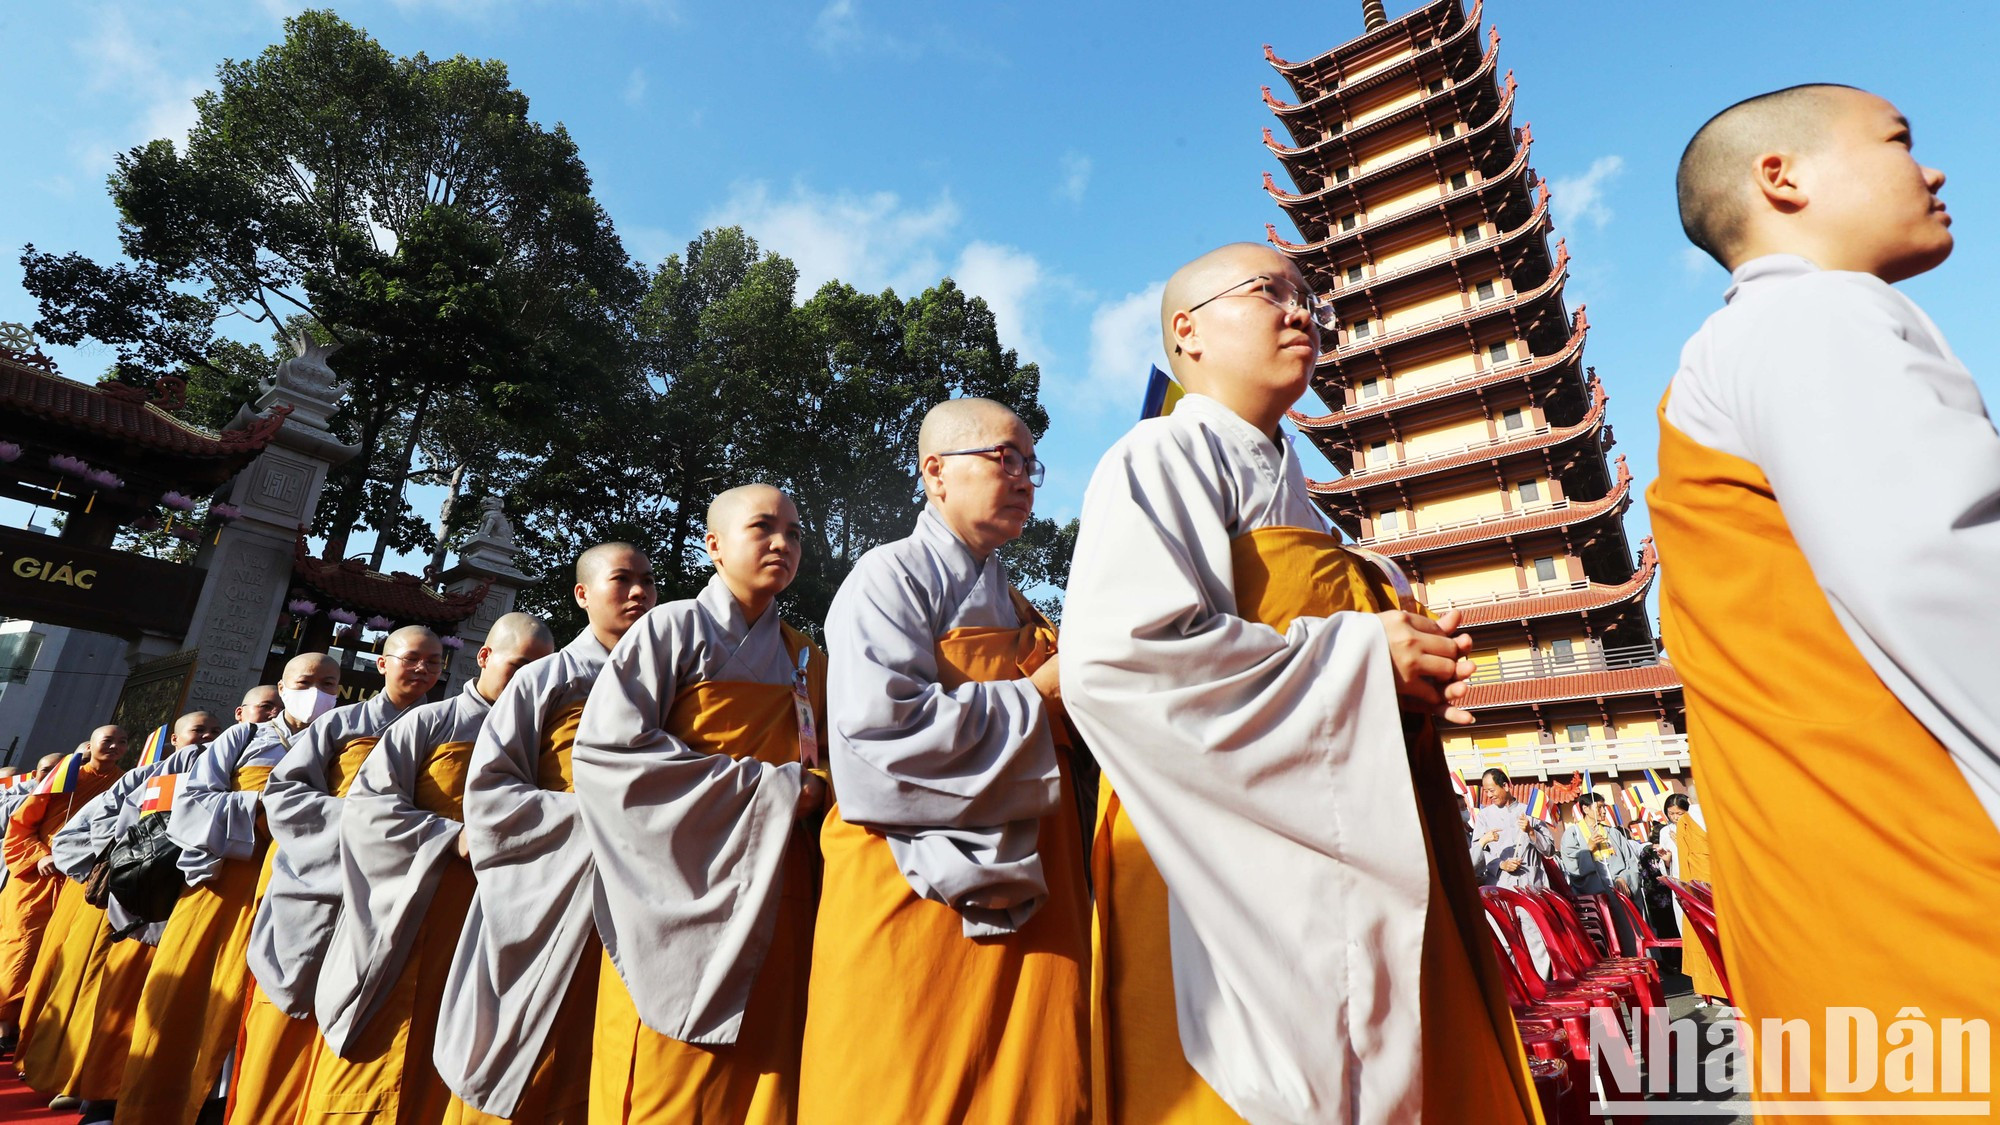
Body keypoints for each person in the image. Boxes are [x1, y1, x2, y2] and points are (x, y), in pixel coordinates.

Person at [1058, 243, 1536, 1124]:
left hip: (1343, 845)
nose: (1301, 312)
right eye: (1268, 292)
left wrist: (1409, 674)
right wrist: (1360, 657)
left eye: (1307, 295)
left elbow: (1316, 646)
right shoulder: (1158, 455)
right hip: (1213, 863)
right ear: (1187, 333)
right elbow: (1118, 659)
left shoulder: (1304, 499)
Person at [1652, 82, 2000, 1107]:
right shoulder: (1813, 315)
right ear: (1780, 175)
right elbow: (1938, 573)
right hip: (1927, 870)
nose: (1929, 168)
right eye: (1898, 140)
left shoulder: (1722, 355)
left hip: (1838, 893)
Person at [800, 398, 1089, 1125]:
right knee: (898, 1091)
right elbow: (878, 735)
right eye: (1005, 458)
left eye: (1032, 464)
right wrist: (1035, 696)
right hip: (913, 890)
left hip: (1036, 884)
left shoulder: (1023, 605)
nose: (1025, 478)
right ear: (935, 472)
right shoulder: (887, 577)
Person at [575, 486, 829, 1123]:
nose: (782, 543)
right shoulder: (670, 628)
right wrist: (772, 790)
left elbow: (830, 757)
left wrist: (816, 783)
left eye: (795, 533)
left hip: (781, 882)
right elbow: (611, 757)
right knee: (668, 1074)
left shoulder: (807, 656)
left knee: (766, 1073)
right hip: (681, 885)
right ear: (713, 546)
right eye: (764, 527)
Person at [436, 543, 657, 1123]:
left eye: (648, 580)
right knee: (531, 1051)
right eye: (622, 580)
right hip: (549, 886)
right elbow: (491, 797)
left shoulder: (671, 675)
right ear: (582, 595)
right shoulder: (546, 679)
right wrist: (601, 818)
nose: (639, 592)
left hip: (642, 891)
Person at [302, 614, 553, 1123]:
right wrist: (450, 837)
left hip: (498, 918)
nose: (529, 682)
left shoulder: (544, 735)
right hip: (415, 906)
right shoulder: (430, 723)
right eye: (519, 667)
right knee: (384, 1056)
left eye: (541, 671)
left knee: (467, 1050)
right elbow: (369, 813)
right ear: (484, 657)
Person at [235, 626, 443, 1124]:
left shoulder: (446, 726)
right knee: (288, 1019)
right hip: (323, 884)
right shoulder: (341, 725)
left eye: (433, 662)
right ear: (382, 663)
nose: (422, 669)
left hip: (397, 893)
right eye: (411, 658)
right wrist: (369, 822)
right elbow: (284, 797)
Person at [120, 657, 338, 1122]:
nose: (317, 691)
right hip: (227, 884)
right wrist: (267, 806)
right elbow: (193, 802)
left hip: (302, 887)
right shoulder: (243, 738)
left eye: (329, 683)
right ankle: (162, 1106)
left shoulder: (345, 739)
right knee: (194, 996)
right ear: (283, 686)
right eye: (306, 682)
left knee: (272, 1003)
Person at [27, 708, 229, 1120]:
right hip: (139, 910)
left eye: (215, 731)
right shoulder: (145, 778)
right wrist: (129, 859)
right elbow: (80, 831)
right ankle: (99, 1090)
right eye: (198, 731)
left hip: (203, 907)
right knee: (121, 1003)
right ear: (175, 738)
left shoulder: (236, 775)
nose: (207, 737)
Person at [0, 726, 125, 1051]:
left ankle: (34, 1024)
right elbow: (20, 824)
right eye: (107, 740)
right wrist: (39, 855)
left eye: (122, 741)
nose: (114, 746)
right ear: (91, 743)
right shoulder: (66, 777)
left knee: (57, 952)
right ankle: (4, 1023)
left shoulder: (123, 782)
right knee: (23, 947)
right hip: (38, 878)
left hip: (78, 878)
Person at [1470, 768, 1557, 977]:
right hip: (1499, 891)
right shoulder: (1484, 817)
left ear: (1506, 786)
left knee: (1536, 942)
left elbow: (1550, 849)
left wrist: (1530, 832)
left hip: (1530, 889)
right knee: (1503, 942)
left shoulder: (1530, 813)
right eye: (1486, 792)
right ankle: (1513, 993)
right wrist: (1499, 864)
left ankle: (1541, 988)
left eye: (1492, 790)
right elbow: (1474, 861)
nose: (1489, 796)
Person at [1560, 794, 1642, 954]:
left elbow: (1631, 862)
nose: (1604, 811)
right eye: (1599, 807)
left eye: (1604, 807)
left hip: (1618, 894)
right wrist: (1588, 848)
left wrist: (1623, 877)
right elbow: (1571, 864)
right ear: (1585, 809)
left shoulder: (1614, 833)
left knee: (1627, 936)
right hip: (1593, 896)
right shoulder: (1573, 834)